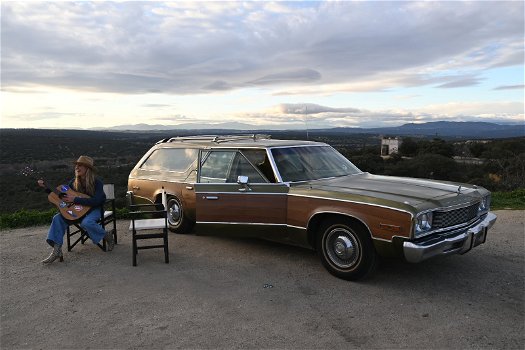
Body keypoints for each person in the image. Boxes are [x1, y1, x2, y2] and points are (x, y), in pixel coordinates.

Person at [38, 155, 114, 264]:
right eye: (76, 166)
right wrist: (46, 188)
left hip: (95, 209)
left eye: (80, 166)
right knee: (57, 218)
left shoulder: (97, 183)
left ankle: (106, 235)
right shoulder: (73, 183)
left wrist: (76, 199)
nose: (77, 168)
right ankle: (57, 250)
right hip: (77, 212)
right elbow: (62, 196)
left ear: (87, 169)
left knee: (86, 223)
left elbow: (97, 200)